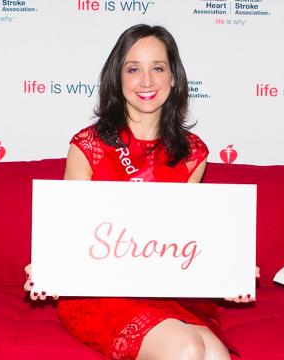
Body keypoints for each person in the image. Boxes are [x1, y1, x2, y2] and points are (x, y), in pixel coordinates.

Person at [24, 24, 258, 360]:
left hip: (168, 292)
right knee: (187, 348)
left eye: (158, 68)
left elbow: (187, 236)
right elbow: (69, 232)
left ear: (174, 77)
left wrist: (229, 270)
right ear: (117, 78)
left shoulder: (193, 153)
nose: (146, 81)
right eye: (133, 69)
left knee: (216, 356)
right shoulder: (88, 146)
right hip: (99, 292)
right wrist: (49, 265)